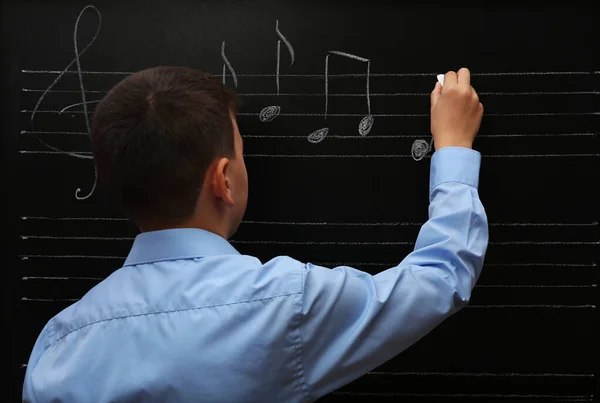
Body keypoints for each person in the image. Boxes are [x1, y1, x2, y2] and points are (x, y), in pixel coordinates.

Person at [22, 66, 487, 402]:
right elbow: (439, 280)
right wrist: (453, 146)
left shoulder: (57, 347)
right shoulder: (282, 304)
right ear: (223, 179)